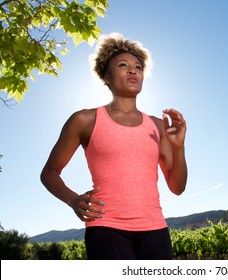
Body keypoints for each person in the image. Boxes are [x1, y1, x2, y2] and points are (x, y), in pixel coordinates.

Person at [40, 33, 187, 260]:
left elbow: (177, 187)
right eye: (123, 65)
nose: (132, 70)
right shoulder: (84, 120)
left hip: (155, 229)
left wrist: (179, 147)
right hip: (105, 228)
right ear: (106, 77)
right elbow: (49, 172)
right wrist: (73, 199)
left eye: (138, 67)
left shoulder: (158, 126)